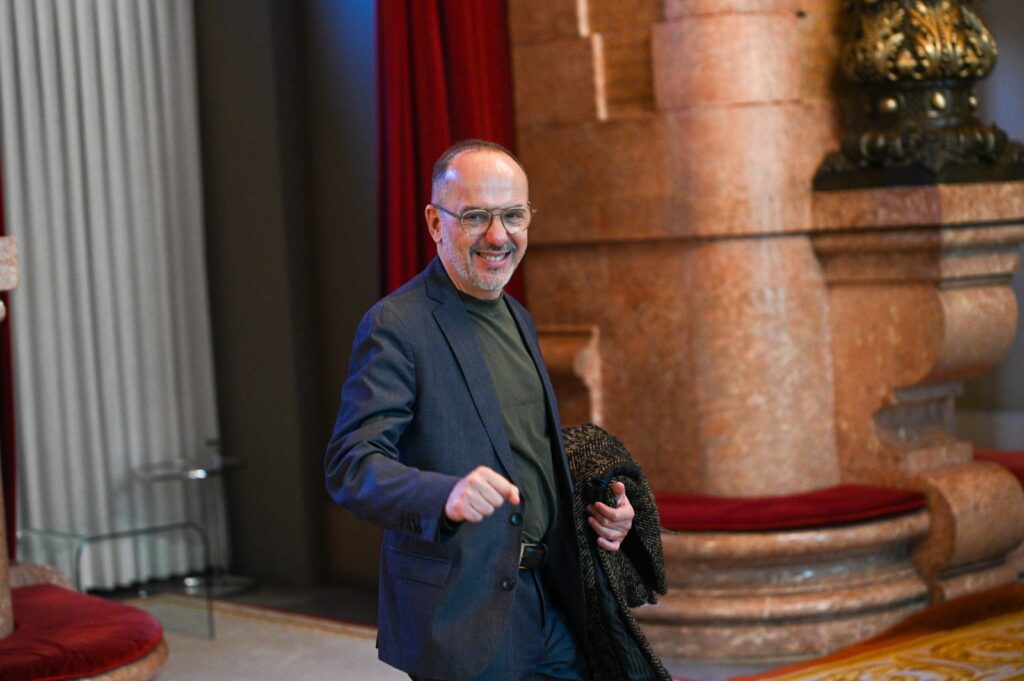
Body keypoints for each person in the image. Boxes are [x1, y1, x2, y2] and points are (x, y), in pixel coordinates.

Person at [325, 139, 634, 681]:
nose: (499, 235)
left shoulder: (519, 317)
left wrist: (600, 511)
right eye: (476, 216)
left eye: (513, 215)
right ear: (435, 223)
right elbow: (352, 465)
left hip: (551, 601)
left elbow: (520, 447)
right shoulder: (396, 325)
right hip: (464, 614)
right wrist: (444, 495)